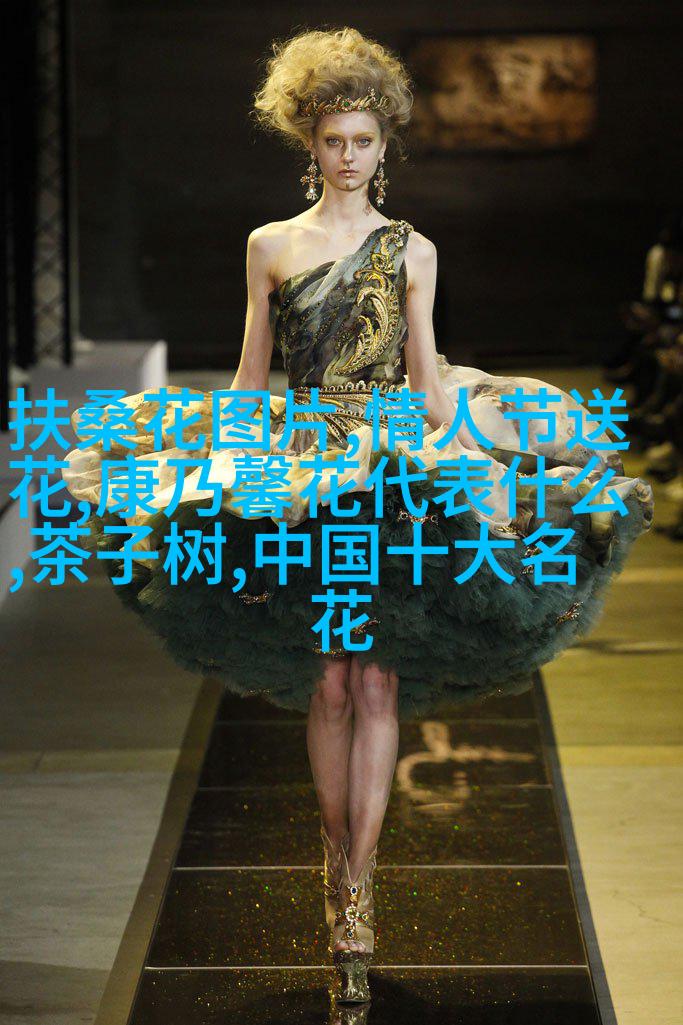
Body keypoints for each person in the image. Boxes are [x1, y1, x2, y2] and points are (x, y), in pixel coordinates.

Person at [61, 26, 655, 1005]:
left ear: (386, 145)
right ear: (310, 141)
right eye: (333, 140)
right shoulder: (270, 245)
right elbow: (251, 377)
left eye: (363, 141)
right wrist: (215, 473)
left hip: (387, 470)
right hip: (304, 469)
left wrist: (489, 453)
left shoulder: (413, 250)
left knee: (373, 681)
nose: (348, 157)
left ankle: (357, 887)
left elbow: (425, 384)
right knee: (330, 683)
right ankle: (332, 848)